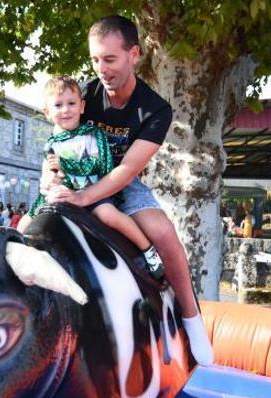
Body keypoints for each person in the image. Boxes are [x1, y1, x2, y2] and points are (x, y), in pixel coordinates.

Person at [42, 16, 212, 364]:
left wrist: (85, 198)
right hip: (78, 178)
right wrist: (51, 174)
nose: (101, 68)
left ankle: (192, 320)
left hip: (120, 184)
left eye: (109, 59)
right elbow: (58, 140)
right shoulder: (85, 94)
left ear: (133, 54)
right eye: (94, 60)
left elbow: (127, 170)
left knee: (164, 232)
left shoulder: (155, 110)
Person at [23, 75, 166, 279]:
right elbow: (50, 169)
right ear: (47, 112)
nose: (65, 110)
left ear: (82, 107)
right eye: (58, 105)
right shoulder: (52, 143)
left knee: (108, 215)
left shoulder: (92, 135)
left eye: (71, 103)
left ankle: (148, 250)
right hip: (64, 193)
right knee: (25, 223)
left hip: (92, 190)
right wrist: (50, 178)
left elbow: (99, 164)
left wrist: (67, 165)